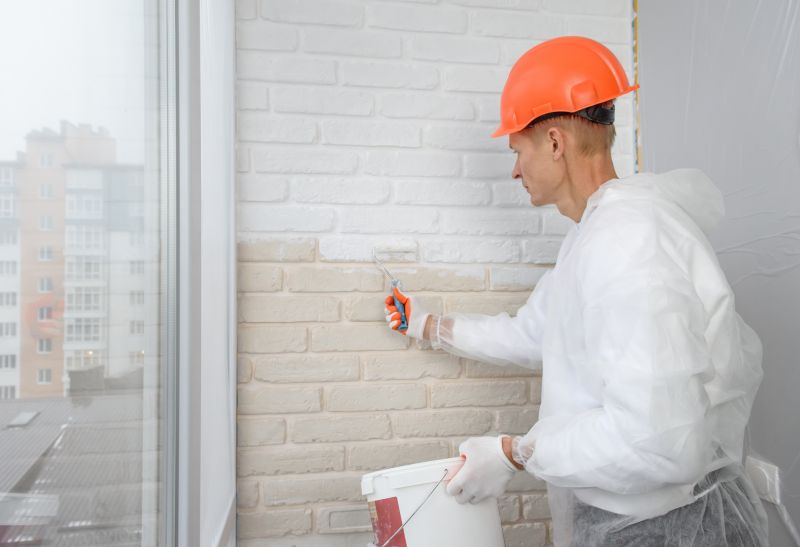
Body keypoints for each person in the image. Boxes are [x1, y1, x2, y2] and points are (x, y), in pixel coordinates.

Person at [384, 36, 769, 546]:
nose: (515, 169)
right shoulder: (593, 236)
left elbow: (661, 443)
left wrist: (515, 452)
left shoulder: (630, 245)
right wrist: (427, 325)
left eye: (518, 150)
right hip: (632, 521)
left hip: (665, 530)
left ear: (555, 143)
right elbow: (534, 332)